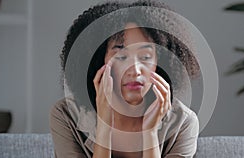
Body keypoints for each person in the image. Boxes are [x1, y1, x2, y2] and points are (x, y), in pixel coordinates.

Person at [50, 0, 200, 157]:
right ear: (98, 61)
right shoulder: (65, 115)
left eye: (145, 56)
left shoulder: (183, 123)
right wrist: (104, 127)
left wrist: (150, 133)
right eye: (121, 57)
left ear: (160, 64)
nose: (135, 70)